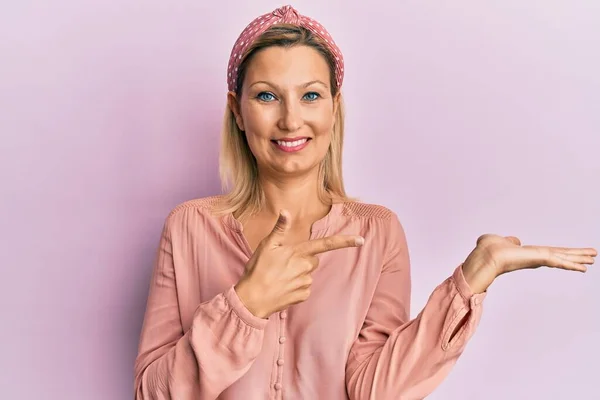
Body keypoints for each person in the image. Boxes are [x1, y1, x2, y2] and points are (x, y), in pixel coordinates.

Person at [133, 5, 596, 400]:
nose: (291, 119)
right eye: (267, 96)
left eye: (311, 95)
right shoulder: (190, 227)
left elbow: (373, 388)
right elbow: (150, 393)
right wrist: (246, 304)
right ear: (237, 110)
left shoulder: (375, 233)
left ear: (334, 106)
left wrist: (474, 277)